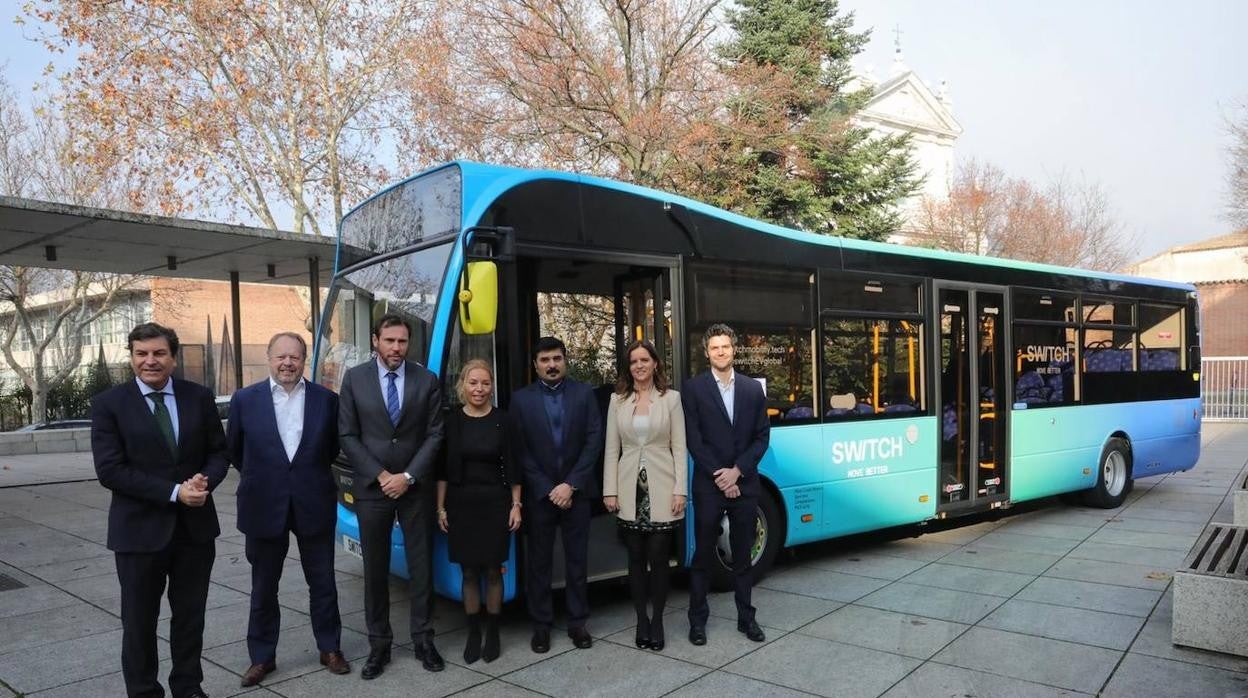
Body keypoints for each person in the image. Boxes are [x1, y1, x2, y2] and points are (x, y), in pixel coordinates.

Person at [91, 322, 228, 698]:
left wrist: (204, 481)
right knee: (139, 623)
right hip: (138, 535)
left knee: (189, 619)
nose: (150, 361)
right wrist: (174, 492)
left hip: (194, 533)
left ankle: (188, 688)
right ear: (132, 356)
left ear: (173, 356)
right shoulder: (109, 405)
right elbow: (111, 471)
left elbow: (219, 451)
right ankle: (143, 692)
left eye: (159, 353)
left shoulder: (198, 397)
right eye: (141, 354)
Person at [226, 332, 350, 687]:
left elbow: (330, 449)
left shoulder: (327, 401)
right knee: (264, 586)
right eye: (280, 356)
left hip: (313, 502)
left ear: (304, 360)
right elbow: (235, 451)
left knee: (323, 582)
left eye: (294, 357)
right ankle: (262, 658)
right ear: (268, 358)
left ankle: (330, 649)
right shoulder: (245, 400)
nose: (287, 363)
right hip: (263, 505)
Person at [338, 314, 446, 679]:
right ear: (375, 341)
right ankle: (379, 646)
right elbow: (348, 436)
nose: (396, 348)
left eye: (402, 342)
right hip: (373, 488)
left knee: (421, 567)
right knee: (375, 570)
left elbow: (435, 434)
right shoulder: (354, 379)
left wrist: (409, 476)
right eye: (390, 341)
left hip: (415, 488)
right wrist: (384, 475)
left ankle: (423, 640)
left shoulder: (425, 379)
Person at [510, 337, 603, 653]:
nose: (552, 365)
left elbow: (594, 440)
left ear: (566, 360)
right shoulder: (520, 400)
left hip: (577, 493)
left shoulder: (584, 394)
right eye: (545, 359)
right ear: (535, 364)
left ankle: (578, 623)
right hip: (541, 497)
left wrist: (571, 484)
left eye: (557, 358)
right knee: (540, 563)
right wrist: (548, 488)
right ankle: (541, 626)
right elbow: (520, 450)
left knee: (578, 561)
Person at [682, 323, 770, 646]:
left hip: (744, 485)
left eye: (726, 347)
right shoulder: (692, 389)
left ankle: (747, 618)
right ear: (707, 353)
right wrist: (722, 474)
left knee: (743, 558)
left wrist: (738, 472)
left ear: (734, 349)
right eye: (714, 348)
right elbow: (694, 439)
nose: (721, 352)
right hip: (708, 486)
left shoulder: (752, 389)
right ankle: (697, 621)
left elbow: (762, 437)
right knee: (703, 556)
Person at [602, 340, 687, 652]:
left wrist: (681, 489)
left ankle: (659, 620)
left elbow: (679, 447)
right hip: (628, 490)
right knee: (635, 560)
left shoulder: (671, 400)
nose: (638, 366)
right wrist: (609, 490)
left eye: (644, 360)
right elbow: (612, 449)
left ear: (655, 364)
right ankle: (641, 619)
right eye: (633, 361)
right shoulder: (617, 401)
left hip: (663, 489)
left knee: (659, 560)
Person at [435, 359, 521, 664]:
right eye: (473, 383)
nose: (479, 389)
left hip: (496, 504)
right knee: (469, 571)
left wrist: (516, 505)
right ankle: (473, 632)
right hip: (461, 505)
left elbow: (513, 466)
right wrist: (440, 507)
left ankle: (493, 631)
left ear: (491, 387)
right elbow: (443, 470)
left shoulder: (504, 421)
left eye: (485, 383)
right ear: (463, 386)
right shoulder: (452, 422)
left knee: (493, 570)